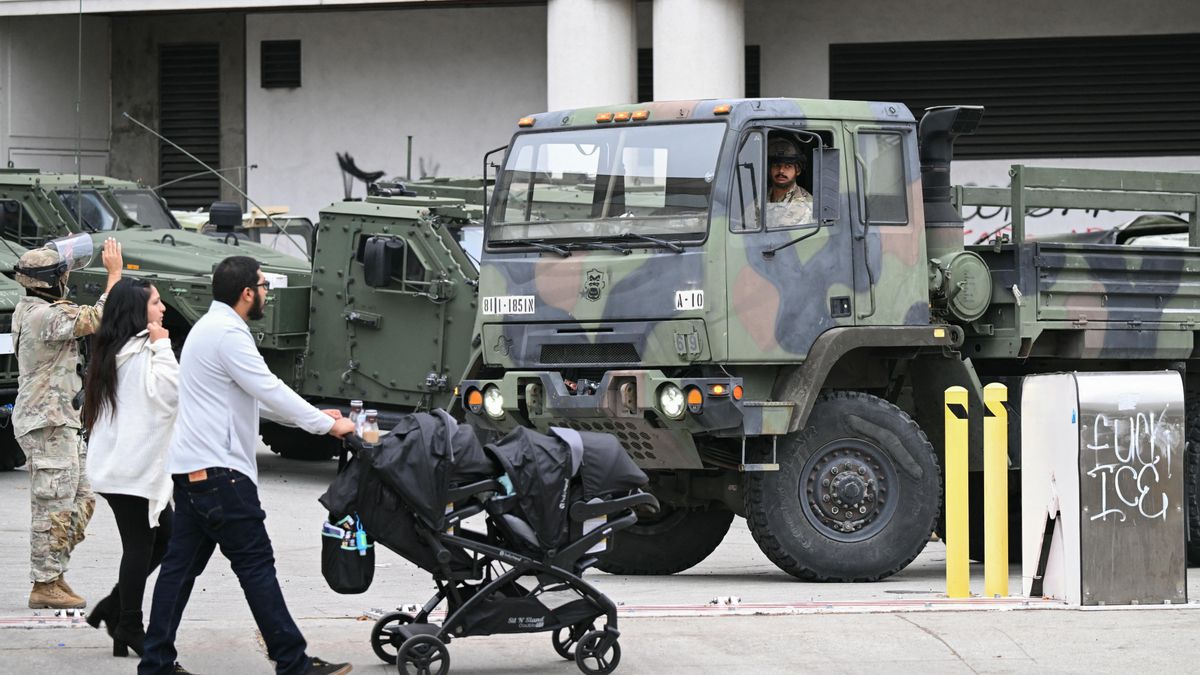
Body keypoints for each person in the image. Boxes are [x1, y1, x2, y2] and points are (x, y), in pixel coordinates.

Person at [138, 256, 356, 675]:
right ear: (247, 293)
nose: (267, 294)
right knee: (256, 567)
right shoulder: (228, 334)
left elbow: (251, 395)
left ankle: (156, 662)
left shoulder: (211, 328)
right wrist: (327, 426)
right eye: (264, 286)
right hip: (220, 477)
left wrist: (316, 415)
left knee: (179, 571)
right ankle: (293, 663)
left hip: (193, 472)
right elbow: (269, 388)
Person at [13, 237, 123, 610]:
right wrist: (114, 277)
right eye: (62, 273)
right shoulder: (44, 315)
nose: (67, 278)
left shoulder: (40, 305)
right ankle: (45, 583)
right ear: (49, 282)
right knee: (51, 505)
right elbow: (95, 319)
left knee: (82, 498)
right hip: (46, 422)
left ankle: (55, 570)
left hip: (61, 419)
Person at [82, 278, 179, 658]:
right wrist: (163, 346)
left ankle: (114, 609)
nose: (163, 309)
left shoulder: (114, 348)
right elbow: (171, 396)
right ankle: (129, 623)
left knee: (166, 539)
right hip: (131, 471)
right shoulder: (141, 351)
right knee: (141, 545)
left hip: (123, 468)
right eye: (156, 303)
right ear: (139, 312)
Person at [765, 135, 814, 227]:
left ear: (798, 170)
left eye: (788, 166)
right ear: (769, 169)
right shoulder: (763, 198)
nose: (781, 171)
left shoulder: (806, 204)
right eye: (776, 165)